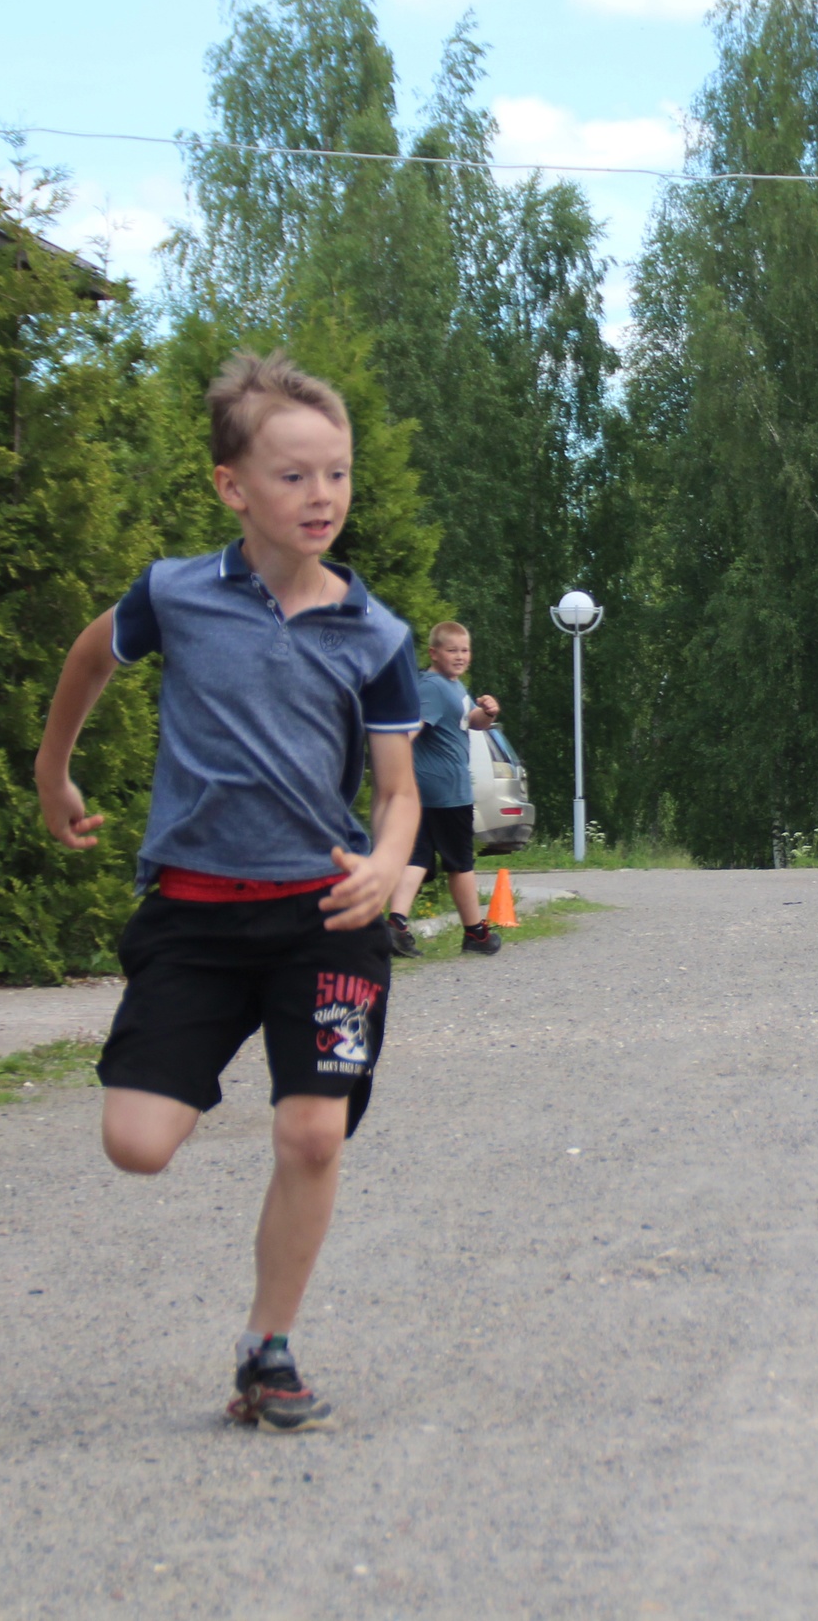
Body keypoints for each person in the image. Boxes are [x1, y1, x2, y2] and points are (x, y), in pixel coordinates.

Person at [34, 351, 424, 1431]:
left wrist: (391, 862)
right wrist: (51, 769)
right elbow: (86, 662)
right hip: (196, 914)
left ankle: (269, 1348)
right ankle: (204, 1057)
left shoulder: (377, 637)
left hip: (325, 913)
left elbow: (397, 794)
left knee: (312, 1133)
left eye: (337, 475)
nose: (322, 498)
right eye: (294, 476)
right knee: (137, 1145)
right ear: (231, 486)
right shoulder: (173, 594)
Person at [385, 621, 504, 958]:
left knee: (419, 856)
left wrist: (488, 712)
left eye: (464, 650)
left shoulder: (454, 687)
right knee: (460, 862)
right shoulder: (434, 687)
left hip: (426, 790)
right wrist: (389, 765)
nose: (460, 656)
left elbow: (473, 722)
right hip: (446, 792)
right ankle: (475, 933)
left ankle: (396, 925)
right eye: (452, 650)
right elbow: (410, 729)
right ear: (434, 653)